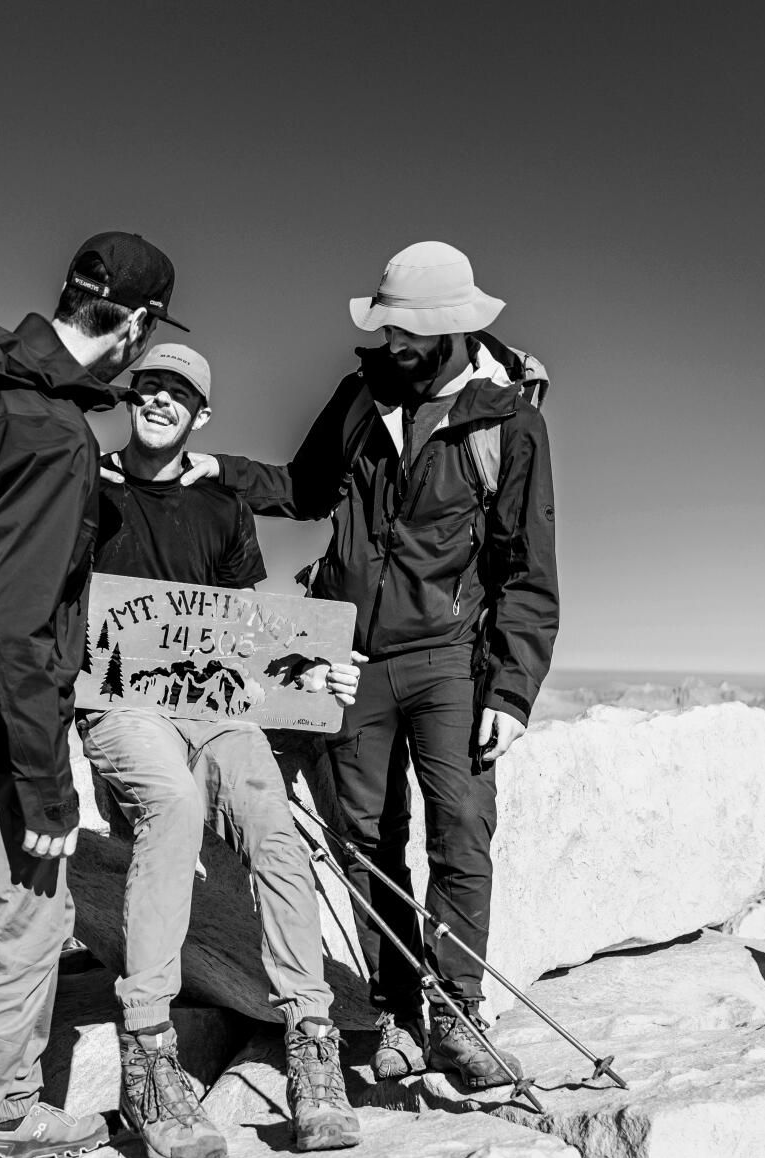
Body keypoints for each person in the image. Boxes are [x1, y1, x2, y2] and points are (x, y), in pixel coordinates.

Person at [176, 241, 559, 1088]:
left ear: (455, 328)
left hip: (452, 661)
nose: (393, 345)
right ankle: (396, 1015)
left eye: (409, 332)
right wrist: (217, 472)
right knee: (366, 844)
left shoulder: (506, 423)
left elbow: (529, 571)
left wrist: (513, 691)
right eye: (387, 329)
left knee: (460, 827)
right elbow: (307, 488)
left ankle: (457, 1015)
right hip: (347, 653)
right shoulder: (360, 397)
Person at [0, 231, 184, 1158]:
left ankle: (11, 1108)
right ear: (135, 325)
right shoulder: (51, 433)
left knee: (43, 917)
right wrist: (48, 782)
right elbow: (14, 624)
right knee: (12, 933)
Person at [86, 343, 363, 1158]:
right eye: (150, 386)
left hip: (213, 708)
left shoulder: (221, 504)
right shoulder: (84, 485)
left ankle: (312, 1042)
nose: (161, 400)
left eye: (181, 393)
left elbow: (240, 628)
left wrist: (314, 669)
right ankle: (149, 1050)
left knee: (274, 831)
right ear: (131, 397)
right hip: (121, 705)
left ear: (200, 416)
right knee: (171, 808)